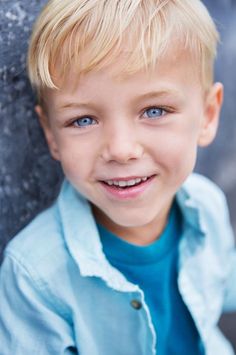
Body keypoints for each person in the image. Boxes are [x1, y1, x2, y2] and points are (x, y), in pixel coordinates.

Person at [0, 0, 235, 354]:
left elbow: (222, 285)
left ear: (207, 114)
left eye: (154, 110)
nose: (121, 149)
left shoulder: (207, 205)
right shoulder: (35, 274)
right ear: (51, 135)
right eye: (83, 120)